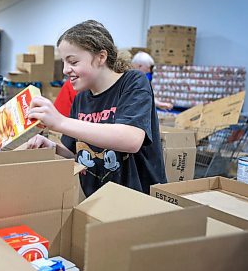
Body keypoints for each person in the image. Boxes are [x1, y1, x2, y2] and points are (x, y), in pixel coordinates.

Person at [27, 20, 167, 197]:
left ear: (101, 57)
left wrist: (60, 122)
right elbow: (79, 155)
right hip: (99, 200)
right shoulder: (81, 99)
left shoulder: (133, 82)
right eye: (64, 62)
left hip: (138, 201)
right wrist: (52, 147)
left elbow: (131, 139)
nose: (65, 70)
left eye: (73, 61)